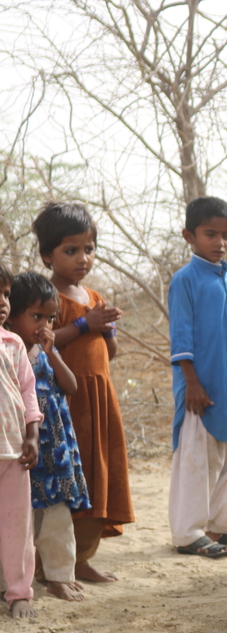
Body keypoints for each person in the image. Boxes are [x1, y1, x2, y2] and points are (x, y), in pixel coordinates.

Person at [33, 202, 133, 584]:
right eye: (71, 250)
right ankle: (51, 561)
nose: (83, 258)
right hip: (65, 403)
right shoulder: (46, 299)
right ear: (48, 255)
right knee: (68, 478)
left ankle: (82, 559)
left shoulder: (94, 297)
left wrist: (106, 330)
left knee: (97, 474)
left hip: (99, 400)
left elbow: (109, 352)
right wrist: (83, 324)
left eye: (89, 249)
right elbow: (43, 341)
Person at [168, 196, 227, 558]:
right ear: (189, 235)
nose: (220, 242)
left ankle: (223, 526)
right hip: (202, 386)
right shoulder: (185, 280)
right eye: (211, 234)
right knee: (198, 458)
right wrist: (192, 382)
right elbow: (181, 336)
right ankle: (188, 533)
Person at [6, 272, 90, 603]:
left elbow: (71, 386)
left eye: (50, 318)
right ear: (12, 316)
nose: (45, 325)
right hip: (19, 447)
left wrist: (52, 352)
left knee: (56, 515)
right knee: (16, 517)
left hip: (53, 448)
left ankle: (58, 577)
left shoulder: (43, 353)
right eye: (36, 316)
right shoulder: (9, 352)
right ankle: (12, 581)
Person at [0, 264, 43, 618]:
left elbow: (28, 392)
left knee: (17, 526)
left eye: (5, 294)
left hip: (13, 453)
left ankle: (19, 593)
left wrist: (33, 435)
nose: (3, 302)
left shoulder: (13, 344)